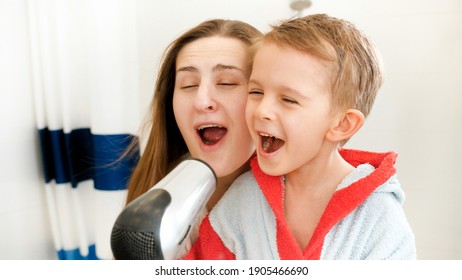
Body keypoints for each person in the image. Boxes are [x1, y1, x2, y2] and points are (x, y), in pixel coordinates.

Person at [184, 14, 417, 260]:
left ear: (342, 124)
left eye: (288, 99)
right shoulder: (243, 201)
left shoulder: (379, 220)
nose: (262, 110)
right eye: (256, 91)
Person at [124, 19, 262, 237]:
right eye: (188, 85)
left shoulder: (302, 202)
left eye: (227, 83)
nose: (201, 101)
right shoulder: (154, 199)